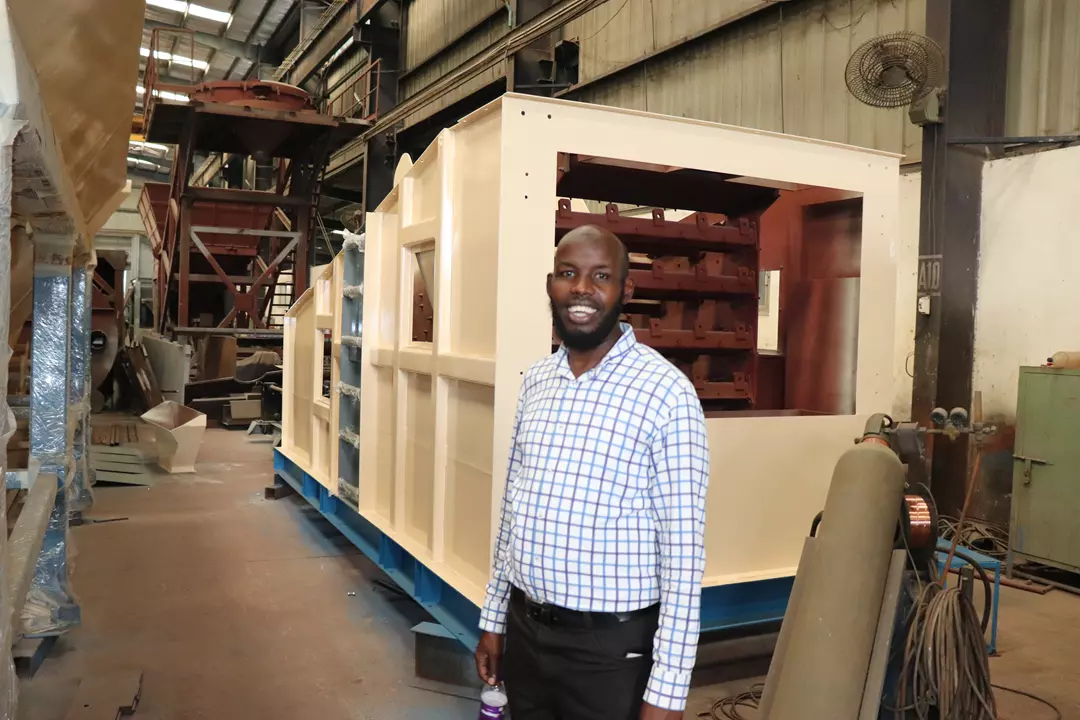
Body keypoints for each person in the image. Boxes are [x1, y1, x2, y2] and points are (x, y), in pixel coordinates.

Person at [474, 225, 710, 719]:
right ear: (551, 285)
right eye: (569, 273)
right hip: (526, 632)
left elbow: (684, 556)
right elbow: (513, 511)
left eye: (601, 276)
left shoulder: (666, 393)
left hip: (610, 654)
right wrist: (494, 618)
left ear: (626, 290)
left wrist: (667, 691)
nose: (582, 288)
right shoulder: (537, 382)